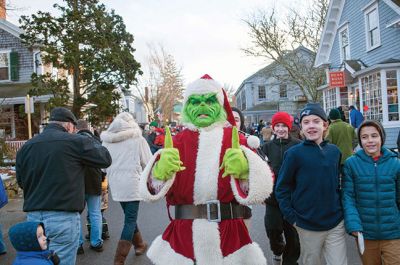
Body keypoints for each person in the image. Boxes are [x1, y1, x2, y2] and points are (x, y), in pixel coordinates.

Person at [139, 74, 273, 265]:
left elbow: (263, 189)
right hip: (184, 237)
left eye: (209, 101)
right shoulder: (175, 144)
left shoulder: (237, 141)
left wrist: (246, 171)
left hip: (229, 234)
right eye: (195, 102)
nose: (202, 107)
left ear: (220, 107)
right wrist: (158, 172)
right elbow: (149, 193)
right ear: (186, 109)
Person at [15, 107, 112, 265]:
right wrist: (90, 136)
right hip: (62, 217)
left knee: (38, 261)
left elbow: (21, 181)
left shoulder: (27, 147)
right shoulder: (75, 142)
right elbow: (105, 158)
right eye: (74, 128)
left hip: (33, 219)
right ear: (69, 126)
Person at [275, 103, 347, 265]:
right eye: (306, 122)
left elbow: (338, 184)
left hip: (335, 223)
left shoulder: (334, 152)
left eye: (316, 121)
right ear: (301, 127)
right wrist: (292, 218)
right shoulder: (294, 154)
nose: (311, 126)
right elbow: (282, 188)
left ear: (325, 125)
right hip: (307, 225)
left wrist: (341, 210)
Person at [342, 120, 400, 265]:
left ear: (381, 137)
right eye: (365, 137)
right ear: (360, 141)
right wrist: (353, 224)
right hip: (365, 233)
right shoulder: (351, 164)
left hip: (393, 233)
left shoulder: (396, 164)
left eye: (374, 136)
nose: (370, 141)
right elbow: (348, 197)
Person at [101, 112, 152, 265]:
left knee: (129, 217)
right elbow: (148, 162)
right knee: (130, 220)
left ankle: (139, 245)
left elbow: (103, 166)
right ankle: (119, 260)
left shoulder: (107, 141)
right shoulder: (137, 139)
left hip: (116, 184)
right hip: (132, 183)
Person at [262, 111, 301, 265]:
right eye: (277, 126)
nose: (280, 129)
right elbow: (261, 172)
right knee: (272, 229)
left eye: (283, 126)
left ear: (288, 127)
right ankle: (278, 250)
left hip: (293, 199)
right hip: (272, 199)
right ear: (273, 128)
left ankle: (290, 262)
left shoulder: (298, 145)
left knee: (292, 234)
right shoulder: (266, 148)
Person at [75, 119, 105, 253]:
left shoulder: (72, 141)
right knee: (95, 213)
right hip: (94, 180)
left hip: (78, 183)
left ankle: (78, 244)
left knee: (76, 215)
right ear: (88, 128)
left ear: (76, 129)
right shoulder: (96, 141)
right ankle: (96, 242)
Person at [326, 108, 357, 175]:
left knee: (338, 179)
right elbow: (356, 140)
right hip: (350, 156)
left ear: (330, 118)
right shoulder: (349, 126)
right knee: (349, 178)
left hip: (337, 159)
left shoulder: (330, 128)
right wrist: (351, 148)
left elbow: (327, 144)